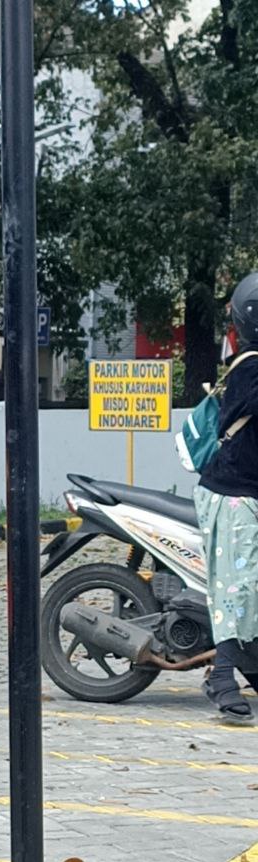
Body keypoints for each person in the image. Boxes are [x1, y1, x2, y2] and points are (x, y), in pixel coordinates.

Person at [196, 272, 258, 724]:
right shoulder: (252, 366)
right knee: (241, 588)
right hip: (234, 495)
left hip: (245, 492)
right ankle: (220, 677)